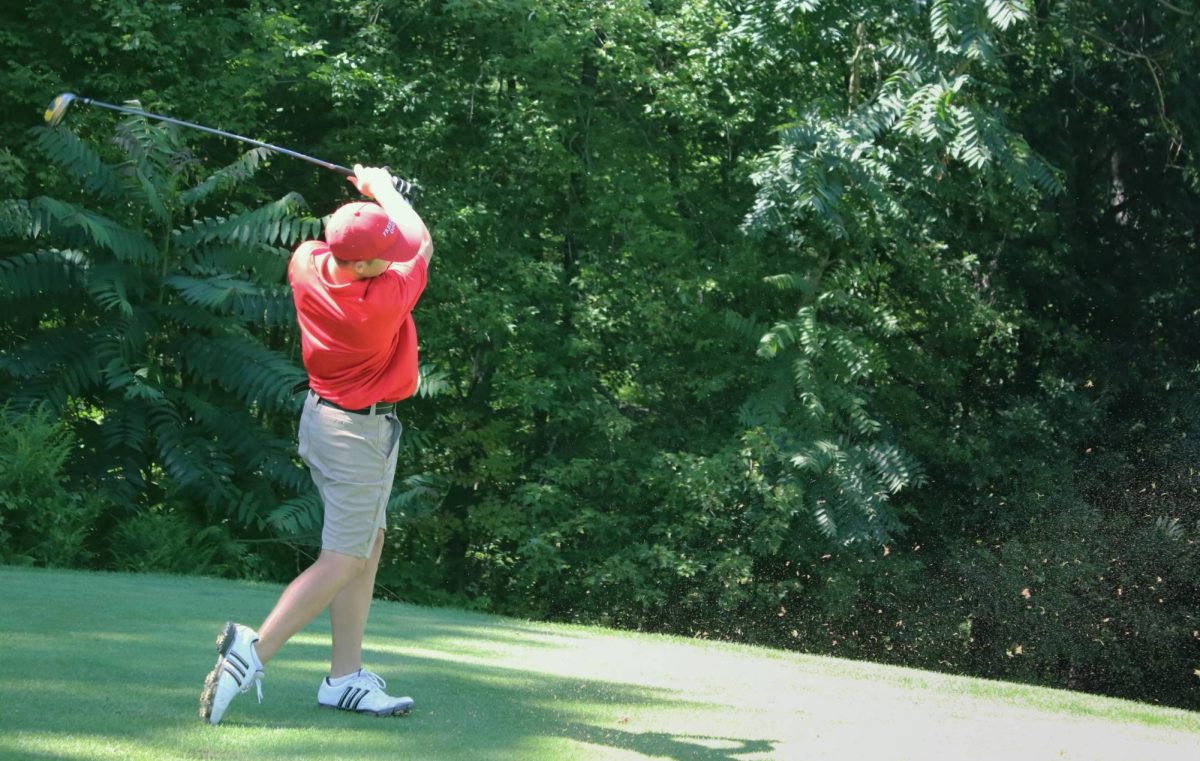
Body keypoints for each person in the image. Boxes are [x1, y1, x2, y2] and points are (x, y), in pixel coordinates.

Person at [199, 164, 434, 725]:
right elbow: (421, 242)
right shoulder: (380, 300)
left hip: (326, 422)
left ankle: (344, 678)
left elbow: (371, 244)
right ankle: (251, 654)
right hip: (358, 434)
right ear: (365, 265)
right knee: (344, 557)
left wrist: (368, 205)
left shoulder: (308, 263)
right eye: (382, 254)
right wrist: (380, 187)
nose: (391, 258)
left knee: (366, 546)